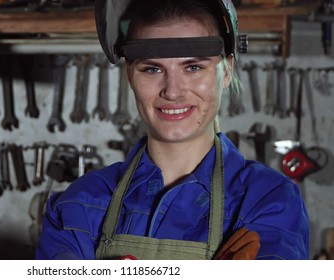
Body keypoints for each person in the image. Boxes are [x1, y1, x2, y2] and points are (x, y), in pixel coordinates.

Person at [36, 0, 309, 260]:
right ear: (130, 75)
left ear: (226, 72)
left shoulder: (267, 199)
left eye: (193, 67)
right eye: (152, 69)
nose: (173, 91)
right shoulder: (80, 204)